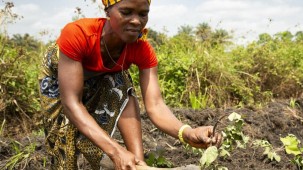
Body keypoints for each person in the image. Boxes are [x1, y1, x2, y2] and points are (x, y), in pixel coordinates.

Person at [38, 0, 221, 169]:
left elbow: (155, 105)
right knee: (64, 145)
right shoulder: (79, 34)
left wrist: (187, 132)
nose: (136, 21)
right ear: (108, 10)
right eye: (126, 12)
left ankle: (138, 163)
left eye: (143, 14)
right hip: (59, 82)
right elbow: (71, 103)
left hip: (105, 78)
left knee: (121, 83)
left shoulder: (141, 49)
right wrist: (116, 151)